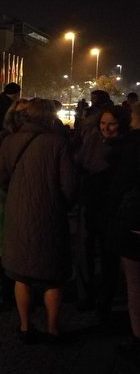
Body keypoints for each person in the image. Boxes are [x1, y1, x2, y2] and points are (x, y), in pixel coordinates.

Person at [0, 98, 78, 343]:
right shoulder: (58, 143)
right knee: (53, 276)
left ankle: (25, 326)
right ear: (49, 117)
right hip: (50, 215)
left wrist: (17, 193)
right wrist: (60, 203)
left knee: (22, 275)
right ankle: (53, 328)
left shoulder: (10, 141)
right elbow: (70, 186)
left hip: (18, 215)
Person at [73, 105, 130, 315]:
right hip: (89, 202)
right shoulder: (92, 138)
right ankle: (84, 295)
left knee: (109, 255)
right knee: (84, 251)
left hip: (113, 207)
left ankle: (105, 298)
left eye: (112, 124)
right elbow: (79, 162)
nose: (106, 128)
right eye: (103, 124)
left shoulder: (127, 145)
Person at [0, 98, 29, 308]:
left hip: (31, 201)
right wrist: (7, 187)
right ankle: (8, 290)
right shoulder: (1, 138)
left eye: (25, 114)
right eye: (17, 114)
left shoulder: (40, 138)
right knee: (5, 244)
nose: (21, 118)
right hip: (6, 200)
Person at [105, 102, 140, 361]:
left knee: (135, 284)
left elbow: (120, 186)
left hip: (134, 223)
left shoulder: (131, 147)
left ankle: (137, 340)